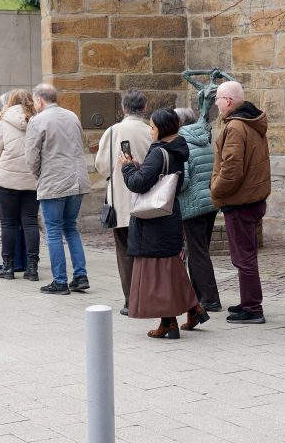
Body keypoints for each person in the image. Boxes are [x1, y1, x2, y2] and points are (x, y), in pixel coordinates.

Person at [121, 108, 206, 339]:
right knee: (170, 268)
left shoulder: (159, 152)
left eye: (152, 127)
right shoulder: (177, 149)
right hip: (169, 213)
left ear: (162, 128)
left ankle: (168, 322)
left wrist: (127, 167)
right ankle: (193, 308)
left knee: (157, 272)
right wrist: (140, 167)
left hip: (154, 220)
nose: (150, 131)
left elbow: (138, 183)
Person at [210, 80, 271, 325]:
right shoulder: (248, 122)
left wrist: (215, 189)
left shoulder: (236, 126)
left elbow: (231, 169)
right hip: (250, 199)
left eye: (217, 99)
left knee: (244, 257)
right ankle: (249, 301)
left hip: (240, 202)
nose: (215, 104)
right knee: (246, 255)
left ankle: (253, 307)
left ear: (228, 101)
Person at [25, 83, 91, 295]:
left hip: (54, 181)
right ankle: (80, 276)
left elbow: (31, 157)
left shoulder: (37, 120)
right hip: (77, 179)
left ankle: (60, 281)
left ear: (39, 100)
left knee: (53, 231)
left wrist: (39, 175)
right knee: (70, 227)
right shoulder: (72, 116)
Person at [94, 89, 152, 314]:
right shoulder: (151, 130)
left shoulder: (113, 131)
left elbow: (102, 166)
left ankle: (131, 300)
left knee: (125, 253)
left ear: (124, 108)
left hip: (121, 200)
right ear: (144, 108)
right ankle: (149, 297)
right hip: (148, 201)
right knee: (148, 252)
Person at [0, 89, 41, 280]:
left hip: (7, 179)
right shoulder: (38, 122)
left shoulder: (3, 122)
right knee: (30, 222)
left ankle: (8, 266)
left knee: (8, 224)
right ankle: (32, 267)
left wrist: (0, 168)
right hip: (32, 179)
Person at [176, 105, 221, 314]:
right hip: (209, 202)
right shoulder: (203, 139)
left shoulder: (182, 143)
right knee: (200, 250)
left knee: (197, 252)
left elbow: (183, 180)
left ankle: (210, 298)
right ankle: (199, 294)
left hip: (192, 204)